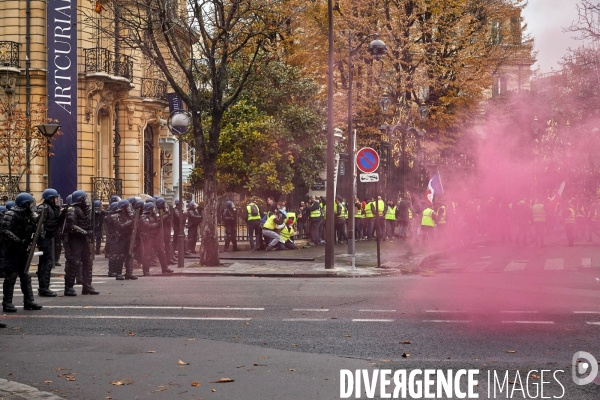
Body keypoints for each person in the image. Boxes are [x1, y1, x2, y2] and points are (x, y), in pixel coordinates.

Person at [1, 193, 44, 312]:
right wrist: (18, 240)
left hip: (23, 249)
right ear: (25, 204)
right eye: (30, 203)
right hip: (12, 249)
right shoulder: (11, 214)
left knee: (25, 275)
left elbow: (36, 229)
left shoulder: (30, 215)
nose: (32, 205)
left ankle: (29, 301)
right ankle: (7, 302)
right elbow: (4, 231)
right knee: (11, 276)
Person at [64, 190, 98, 296]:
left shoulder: (84, 210)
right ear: (80, 200)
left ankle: (87, 286)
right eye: (84, 198)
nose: (86, 201)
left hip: (83, 239)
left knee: (88, 262)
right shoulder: (72, 209)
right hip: (74, 240)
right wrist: (86, 232)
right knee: (73, 263)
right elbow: (71, 226)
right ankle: (69, 287)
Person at [36, 188, 62, 297]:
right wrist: (42, 238)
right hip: (44, 238)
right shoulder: (43, 208)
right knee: (46, 263)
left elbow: (57, 221)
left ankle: (44, 287)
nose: (56, 200)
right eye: (54, 198)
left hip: (50, 236)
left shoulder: (54, 208)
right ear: (50, 198)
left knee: (47, 262)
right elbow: (38, 224)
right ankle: (43, 288)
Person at [140, 202, 174, 276]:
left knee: (161, 252)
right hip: (148, 237)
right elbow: (148, 225)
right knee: (147, 255)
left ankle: (165, 268)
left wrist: (164, 215)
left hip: (155, 237)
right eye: (153, 208)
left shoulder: (155, 215)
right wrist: (157, 224)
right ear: (150, 209)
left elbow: (160, 220)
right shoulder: (143, 217)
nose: (154, 209)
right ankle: (146, 271)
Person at [113, 199, 138, 280]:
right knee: (121, 256)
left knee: (130, 255)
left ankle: (129, 273)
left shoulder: (129, 215)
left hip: (129, 237)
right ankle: (119, 274)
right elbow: (120, 226)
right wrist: (130, 221)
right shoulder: (116, 216)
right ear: (123, 208)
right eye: (127, 207)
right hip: (121, 238)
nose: (129, 208)